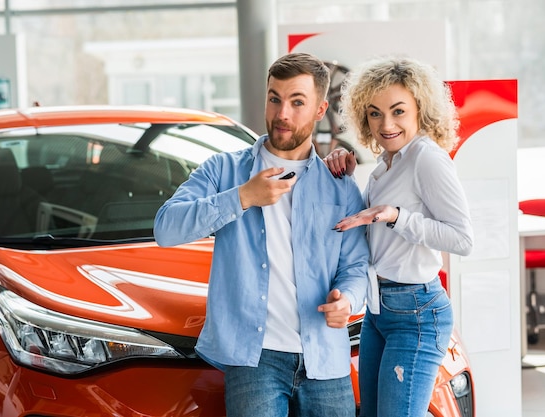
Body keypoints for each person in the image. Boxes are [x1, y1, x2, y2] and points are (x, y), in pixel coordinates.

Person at [154, 52, 370, 417]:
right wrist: (242, 197)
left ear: (320, 110)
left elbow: (357, 264)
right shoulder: (223, 170)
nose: (282, 113)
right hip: (255, 361)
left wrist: (347, 299)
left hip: (326, 358)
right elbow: (166, 228)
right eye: (275, 99)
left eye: (297, 102)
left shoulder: (340, 186)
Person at [323, 55, 474, 417]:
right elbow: (374, 232)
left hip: (417, 313)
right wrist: (343, 173)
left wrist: (396, 216)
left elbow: (462, 239)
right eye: (375, 113)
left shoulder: (427, 158)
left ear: (420, 108)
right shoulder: (385, 164)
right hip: (378, 309)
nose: (386, 124)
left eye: (398, 111)